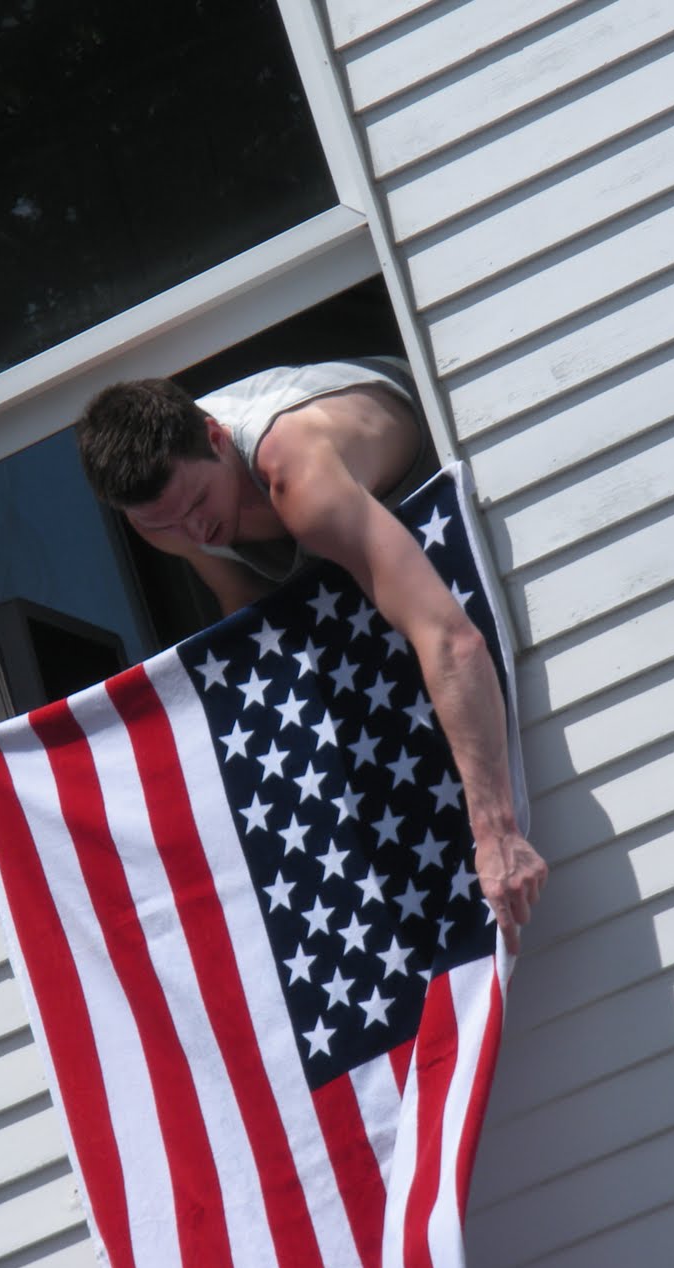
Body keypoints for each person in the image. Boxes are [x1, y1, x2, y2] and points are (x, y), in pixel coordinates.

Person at [77, 359, 548, 951]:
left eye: (197, 503)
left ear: (216, 438)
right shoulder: (164, 512)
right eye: (165, 525)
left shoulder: (300, 476)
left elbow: (450, 638)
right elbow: (247, 615)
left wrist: (497, 833)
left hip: (400, 448)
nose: (193, 533)